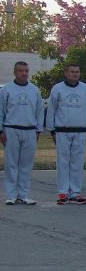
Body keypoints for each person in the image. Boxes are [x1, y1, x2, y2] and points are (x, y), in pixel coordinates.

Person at [46, 63, 86, 205]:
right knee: (63, 162)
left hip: (80, 130)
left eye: (77, 72)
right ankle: (63, 192)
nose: (75, 74)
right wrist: (52, 130)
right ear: (66, 73)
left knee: (77, 163)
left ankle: (75, 193)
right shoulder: (58, 88)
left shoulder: (84, 88)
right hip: (62, 130)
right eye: (72, 71)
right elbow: (51, 110)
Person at [0, 61, 44, 205]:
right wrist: (1, 130)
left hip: (29, 130)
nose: (24, 73)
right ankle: (11, 195)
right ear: (15, 72)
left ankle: (23, 195)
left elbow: (39, 112)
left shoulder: (34, 90)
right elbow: (1, 110)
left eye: (26, 71)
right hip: (11, 129)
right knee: (11, 164)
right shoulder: (6, 90)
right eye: (20, 71)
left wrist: (38, 130)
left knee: (26, 165)